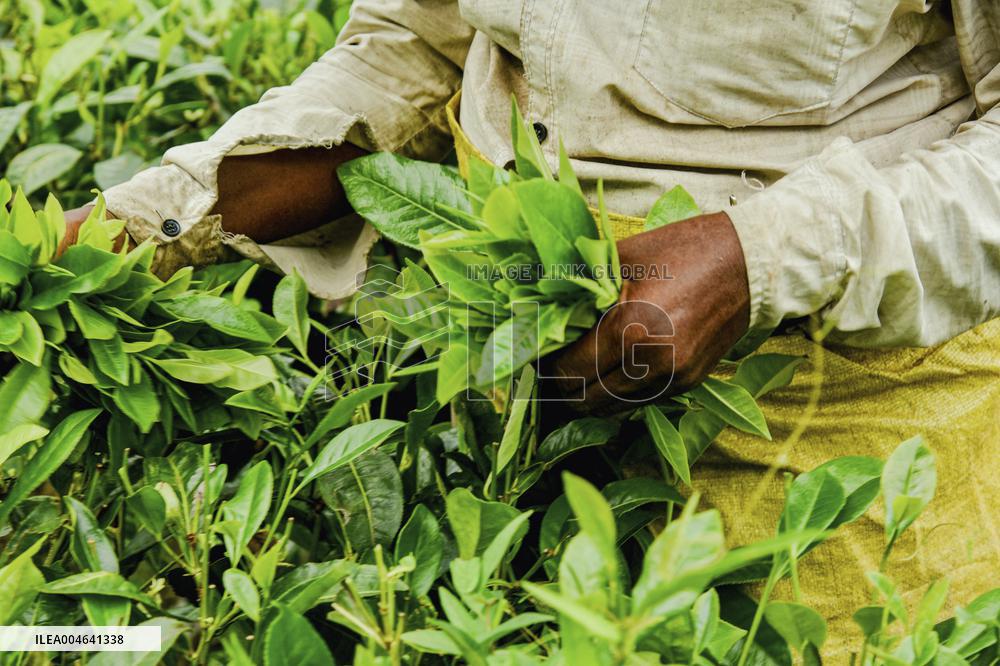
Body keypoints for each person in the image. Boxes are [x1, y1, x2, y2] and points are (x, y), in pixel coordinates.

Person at [61, 0, 1000, 658]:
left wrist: (762, 256)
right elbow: (423, 43)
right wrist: (152, 223)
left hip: (827, 413)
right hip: (508, 380)